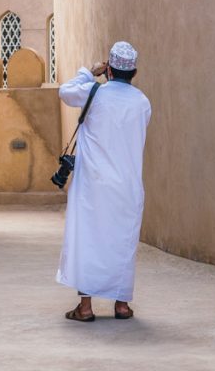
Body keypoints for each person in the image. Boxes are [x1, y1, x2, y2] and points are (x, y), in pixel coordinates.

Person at [56, 41, 151, 322]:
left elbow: (64, 91)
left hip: (93, 185)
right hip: (127, 185)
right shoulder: (143, 102)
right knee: (123, 241)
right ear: (134, 72)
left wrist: (88, 72)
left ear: (108, 69)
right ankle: (121, 305)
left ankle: (85, 307)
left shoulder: (93, 93)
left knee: (89, 240)